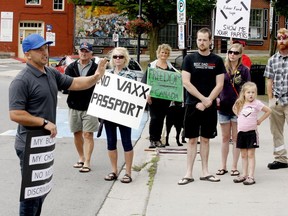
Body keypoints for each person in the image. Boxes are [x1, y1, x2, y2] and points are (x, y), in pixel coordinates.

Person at [9, 34, 107, 215]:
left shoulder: (50, 73)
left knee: (41, 191)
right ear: (28, 54)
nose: (45, 52)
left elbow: (76, 83)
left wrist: (97, 76)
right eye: (39, 49)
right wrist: (43, 122)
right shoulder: (21, 80)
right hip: (29, 143)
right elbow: (15, 113)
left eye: (46, 48)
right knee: (31, 194)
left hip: (44, 143)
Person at [178, 27, 225, 185]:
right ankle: (188, 173)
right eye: (199, 39)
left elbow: (219, 84)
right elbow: (186, 82)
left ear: (210, 41)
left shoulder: (217, 60)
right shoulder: (189, 59)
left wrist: (208, 101)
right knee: (192, 139)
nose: (202, 42)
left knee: (206, 139)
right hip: (193, 105)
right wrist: (202, 99)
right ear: (196, 40)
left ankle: (205, 171)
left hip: (209, 106)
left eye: (205, 39)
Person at [216, 43, 251, 177]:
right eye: (230, 52)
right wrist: (217, 98)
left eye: (236, 53)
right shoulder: (222, 68)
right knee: (225, 138)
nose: (232, 55)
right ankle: (223, 165)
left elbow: (248, 88)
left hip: (238, 108)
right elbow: (217, 85)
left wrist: (244, 103)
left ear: (240, 55)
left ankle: (234, 166)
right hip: (223, 106)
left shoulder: (244, 70)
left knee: (236, 138)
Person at [103, 47, 136, 184]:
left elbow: (134, 95)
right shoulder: (106, 73)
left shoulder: (131, 75)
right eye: (115, 56)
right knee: (111, 142)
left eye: (120, 57)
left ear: (125, 59)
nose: (117, 59)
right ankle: (114, 170)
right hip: (109, 113)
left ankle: (128, 172)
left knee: (126, 142)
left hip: (124, 114)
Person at [65, 42, 99, 173]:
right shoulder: (71, 67)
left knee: (88, 134)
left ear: (91, 53)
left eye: (87, 51)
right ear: (78, 52)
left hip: (90, 106)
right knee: (77, 133)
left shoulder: (96, 68)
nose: (84, 53)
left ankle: (87, 161)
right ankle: (81, 157)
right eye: (82, 51)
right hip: (74, 105)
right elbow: (66, 84)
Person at [232, 82, 271, 185]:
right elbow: (234, 109)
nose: (251, 94)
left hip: (251, 133)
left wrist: (260, 120)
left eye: (253, 92)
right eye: (248, 92)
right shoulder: (240, 103)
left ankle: (251, 176)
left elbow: (268, 111)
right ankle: (244, 174)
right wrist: (239, 116)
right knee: (243, 154)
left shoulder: (257, 103)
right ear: (244, 93)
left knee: (251, 154)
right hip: (241, 133)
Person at [141, 43, 176, 148]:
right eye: (162, 52)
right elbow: (145, 81)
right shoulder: (152, 66)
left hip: (165, 98)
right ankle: (152, 139)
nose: (164, 54)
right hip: (153, 97)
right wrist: (147, 94)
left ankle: (158, 139)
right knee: (154, 118)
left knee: (161, 118)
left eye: (166, 53)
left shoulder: (171, 68)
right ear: (158, 53)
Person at [264, 27, 288, 170]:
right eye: (279, 38)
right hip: (277, 101)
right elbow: (269, 81)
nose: (281, 41)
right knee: (276, 131)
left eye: (284, 38)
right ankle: (281, 158)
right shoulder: (272, 60)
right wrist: (271, 100)